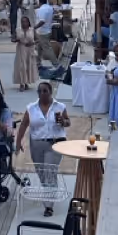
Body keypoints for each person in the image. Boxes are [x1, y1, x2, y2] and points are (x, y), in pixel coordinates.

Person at [15, 82, 71, 215]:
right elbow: (23, 125)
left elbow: (68, 122)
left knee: (50, 172)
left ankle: (49, 205)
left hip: (55, 143)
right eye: (40, 91)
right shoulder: (31, 108)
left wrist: (63, 122)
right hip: (37, 144)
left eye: (45, 91)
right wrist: (18, 142)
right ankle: (48, 195)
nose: (42, 94)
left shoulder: (60, 107)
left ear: (50, 92)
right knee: (41, 172)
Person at [13, 13, 37, 91]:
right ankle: (21, 83)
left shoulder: (32, 30)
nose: (24, 23)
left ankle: (27, 82)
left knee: (28, 66)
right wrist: (16, 40)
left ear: (28, 22)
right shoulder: (18, 30)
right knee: (21, 66)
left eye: (25, 22)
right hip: (21, 49)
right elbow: (13, 39)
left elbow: (38, 40)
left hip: (30, 49)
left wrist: (32, 43)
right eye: (22, 22)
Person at [34, 0, 58, 65]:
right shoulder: (49, 8)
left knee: (47, 49)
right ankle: (38, 63)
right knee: (39, 48)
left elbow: (42, 21)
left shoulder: (41, 10)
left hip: (42, 32)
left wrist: (34, 28)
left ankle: (56, 64)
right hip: (47, 30)